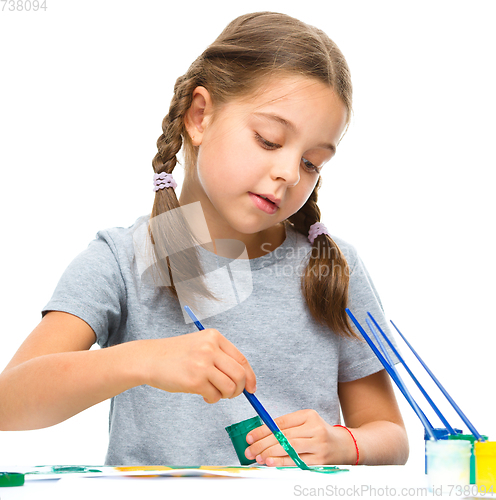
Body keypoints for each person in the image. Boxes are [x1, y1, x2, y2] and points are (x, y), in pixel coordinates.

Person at [0, 11, 409, 467]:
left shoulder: (331, 269)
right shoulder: (122, 259)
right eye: (269, 140)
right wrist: (144, 360)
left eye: (313, 163)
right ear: (200, 117)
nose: (290, 173)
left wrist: (345, 445)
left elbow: (390, 436)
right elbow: (9, 401)